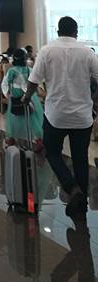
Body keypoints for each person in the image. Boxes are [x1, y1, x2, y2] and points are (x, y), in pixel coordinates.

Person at [24, 16, 98, 220]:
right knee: (80, 157)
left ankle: (72, 188)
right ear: (76, 32)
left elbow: (33, 80)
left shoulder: (47, 51)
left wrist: (26, 97)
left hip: (56, 115)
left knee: (52, 152)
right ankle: (81, 204)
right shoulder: (87, 52)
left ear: (58, 32)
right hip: (82, 116)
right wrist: (93, 98)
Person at [1, 47, 44, 147]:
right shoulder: (29, 70)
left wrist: (7, 94)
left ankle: (11, 138)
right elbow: (36, 82)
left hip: (15, 97)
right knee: (32, 119)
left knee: (14, 118)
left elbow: (5, 83)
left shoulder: (11, 71)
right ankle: (38, 140)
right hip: (30, 97)